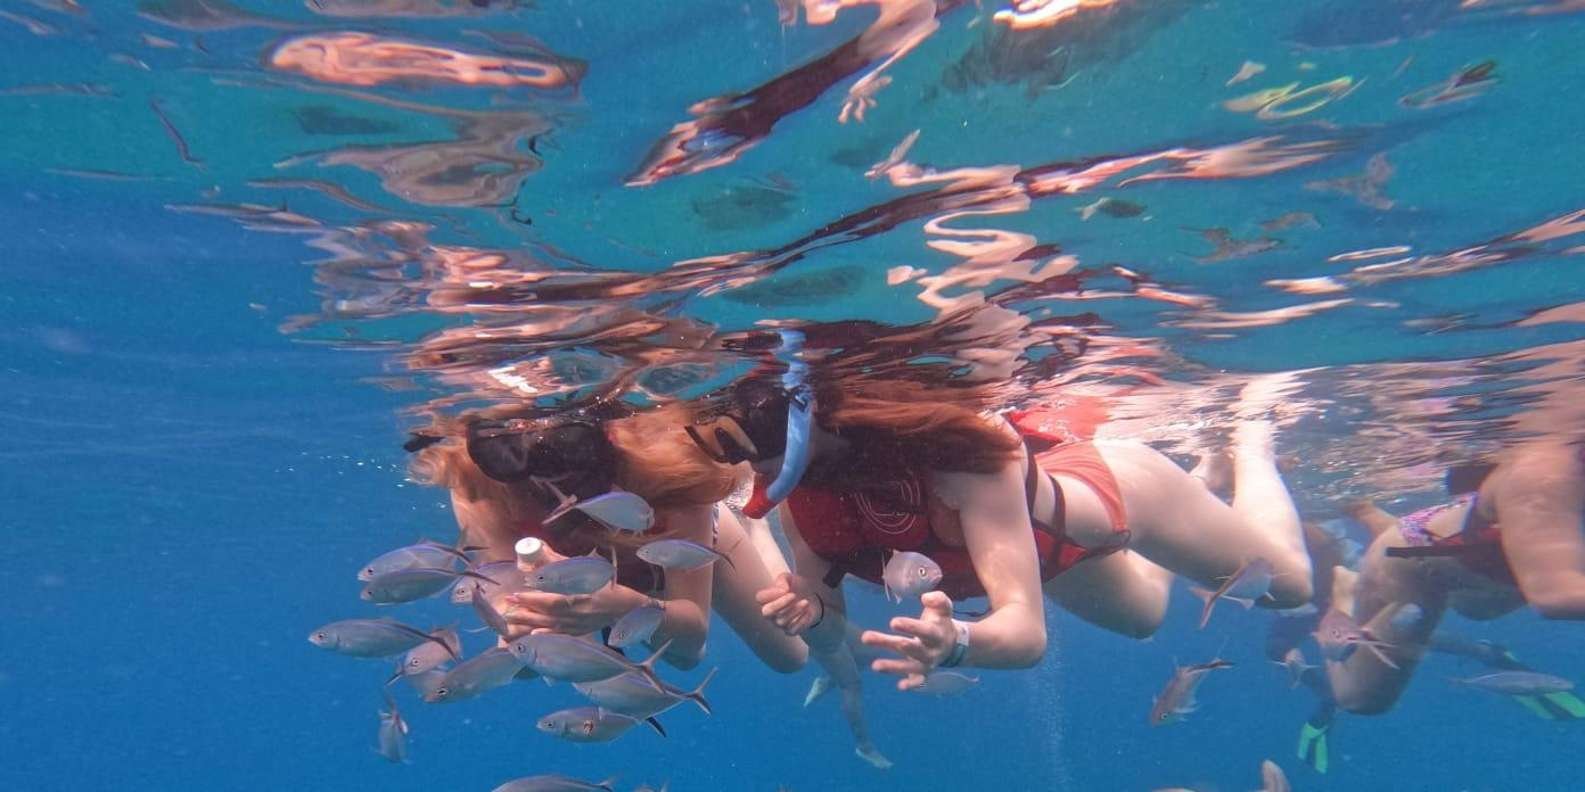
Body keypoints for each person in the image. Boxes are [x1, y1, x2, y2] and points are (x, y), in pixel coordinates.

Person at [686, 371, 1313, 688]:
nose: (747, 464)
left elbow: (1025, 633)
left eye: (753, 437)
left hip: (1122, 494)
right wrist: (811, 615)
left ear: (814, 415)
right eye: (726, 448)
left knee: (1289, 587)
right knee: (1143, 617)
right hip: (1048, 559)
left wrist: (957, 640)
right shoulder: (800, 504)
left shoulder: (957, 458)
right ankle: (1205, 477)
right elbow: (831, 638)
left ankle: (1250, 441)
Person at [407, 404, 807, 673]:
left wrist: (626, 605)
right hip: (590, 582)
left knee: (789, 657)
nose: (547, 482)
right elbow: (507, 607)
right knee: (680, 660)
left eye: (565, 463)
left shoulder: (670, 472)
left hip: (682, 546)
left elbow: (691, 634)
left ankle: (752, 525)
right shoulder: (477, 484)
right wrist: (516, 624)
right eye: (514, 457)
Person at [1319, 439, 1585, 715]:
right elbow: (1554, 595)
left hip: (1481, 570)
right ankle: (1345, 594)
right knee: (1363, 699)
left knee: (1480, 609)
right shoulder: (1545, 473)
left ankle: (1370, 515)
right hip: (1415, 567)